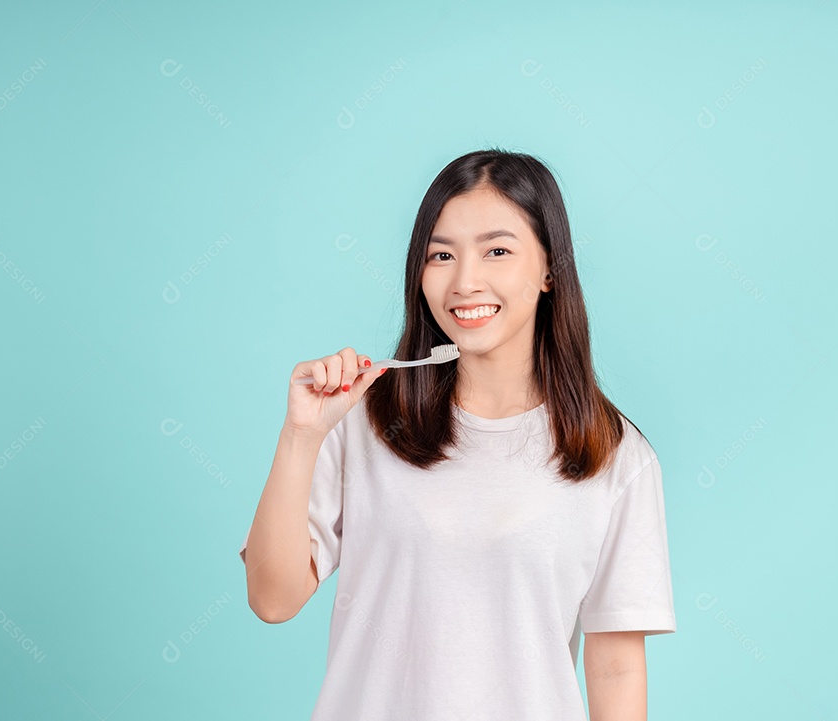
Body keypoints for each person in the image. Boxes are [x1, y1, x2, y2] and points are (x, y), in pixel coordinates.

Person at [239, 148, 676, 720]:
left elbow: (616, 667)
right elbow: (272, 599)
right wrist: (301, 436)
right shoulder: (363, 419)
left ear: (550, 269)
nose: (465, 282)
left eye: (497, 251)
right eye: (440, 255)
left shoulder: (615, 456)